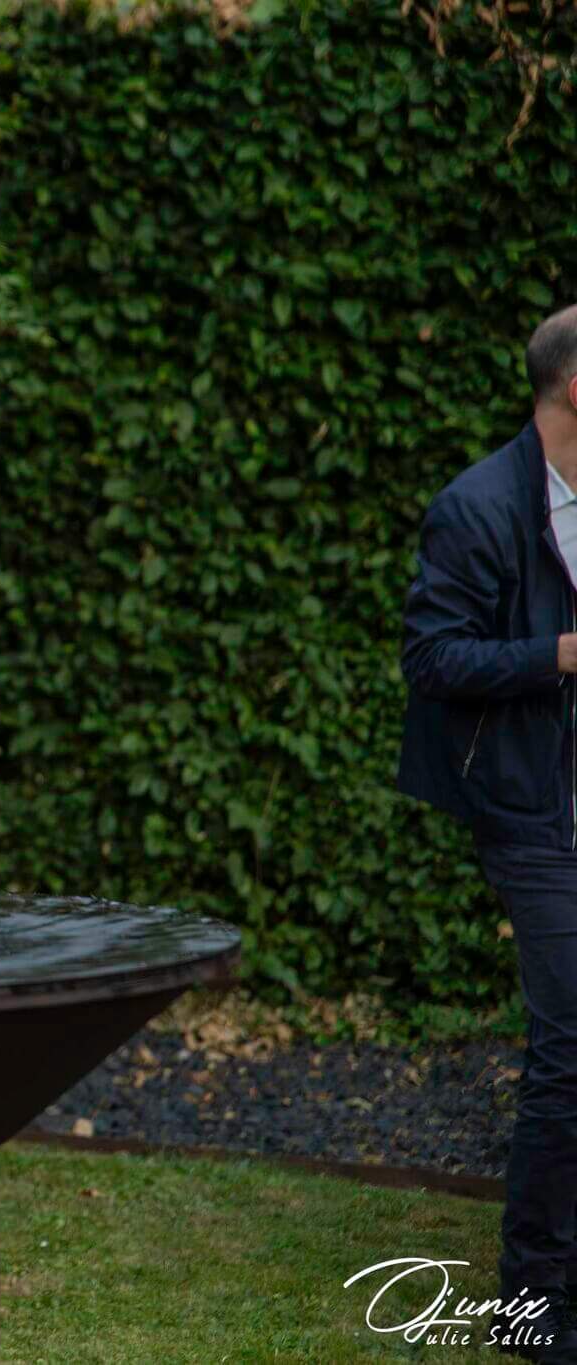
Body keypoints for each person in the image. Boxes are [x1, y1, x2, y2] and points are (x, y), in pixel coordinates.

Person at [400, 304, 577, 1362]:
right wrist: (557, 654)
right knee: (570, 1045)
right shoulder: (474, 506)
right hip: (529, 814)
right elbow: (431, 659)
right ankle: (531, 1296)